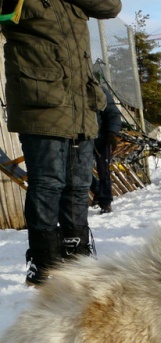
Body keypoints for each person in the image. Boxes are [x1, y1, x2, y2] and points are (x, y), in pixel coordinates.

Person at [2, 0, 123, 285]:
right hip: (41, 103)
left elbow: (111, 7)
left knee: (78, 186)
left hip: (81, 105)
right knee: (48, 184)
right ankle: (44, 264)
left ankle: (76, 256)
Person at [91, 85, 123, 214]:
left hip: (102, 137)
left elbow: (113, 113)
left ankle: (105, 202)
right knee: (80, 171)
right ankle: (98, 190)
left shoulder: (99, 89)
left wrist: (111, 132)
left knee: (103, 171)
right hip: (83, 138)